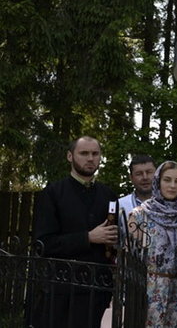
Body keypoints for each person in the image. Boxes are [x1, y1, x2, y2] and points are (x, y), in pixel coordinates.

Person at [32, 136, 118, 328]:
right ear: (70, 156)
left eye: (95, 154)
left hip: (98, 289)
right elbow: (43, 244)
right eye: (84, 153)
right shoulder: (53, 193)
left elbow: (112, 246)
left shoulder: (109, 195)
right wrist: (87, 237)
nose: (90, 158)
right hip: (61, 290)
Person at [128, 161, 177, 327]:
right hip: (148, 290)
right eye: (167, 180)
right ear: (157, 182)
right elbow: (130, 261)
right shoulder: (140, 215)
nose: (172, 186)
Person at [118, 155, 155, 242]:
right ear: (131, 178)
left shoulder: (168, 205)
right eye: (139, 174)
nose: (145, 177)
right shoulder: (120, 205)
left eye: (149, 172)